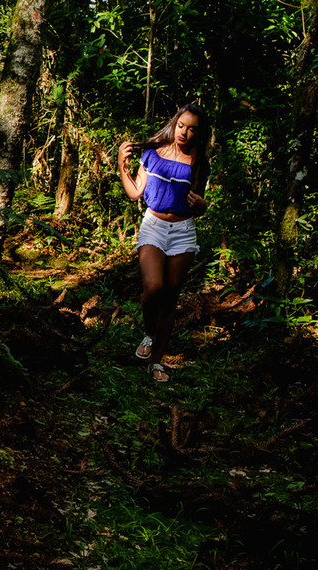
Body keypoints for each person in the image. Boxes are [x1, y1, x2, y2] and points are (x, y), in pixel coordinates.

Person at [117, 103, 210, 382]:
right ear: (174, 123)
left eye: (192, 128)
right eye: (181, 125)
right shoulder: (153, 154)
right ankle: (149, 333)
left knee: (170, 298)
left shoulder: (199, 163)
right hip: (153, 226)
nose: (184, 132)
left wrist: (202, 206)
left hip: (183, 230)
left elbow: (197, 203)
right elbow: (135, 193)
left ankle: (156, 362)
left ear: (198, 133)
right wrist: (122, 165)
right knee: (153, 287)